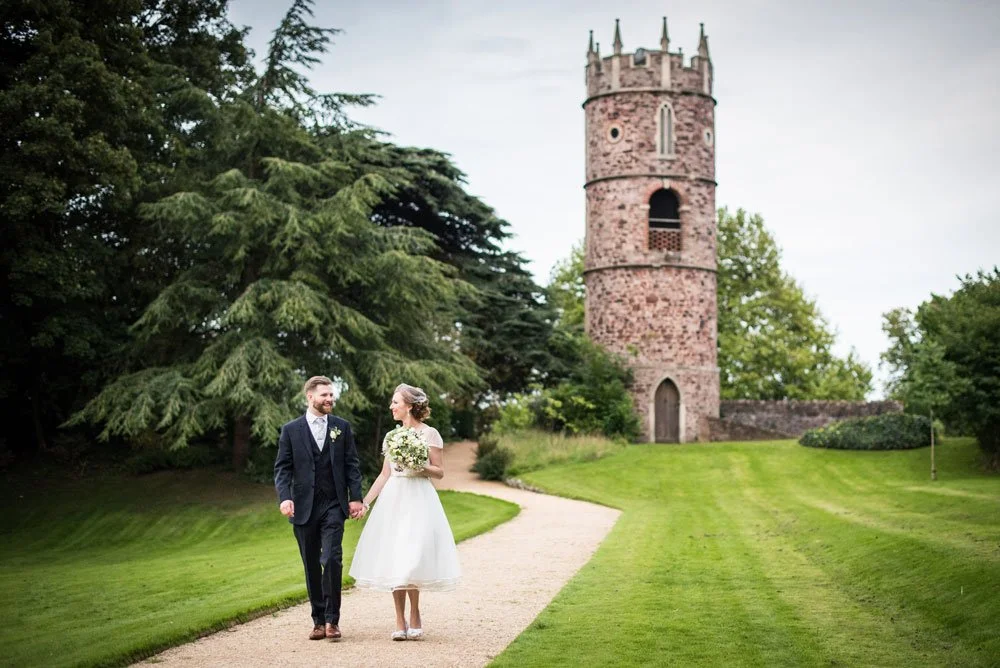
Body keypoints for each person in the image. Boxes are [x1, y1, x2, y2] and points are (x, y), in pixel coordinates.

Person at [349, 383, 462, 641]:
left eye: (395, 402)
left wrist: (417, 465)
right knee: (395, 556)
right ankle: (399, 619)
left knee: (413, 556)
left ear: (409, 406)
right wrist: (365, 503)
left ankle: (415, 613)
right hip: (394, 499)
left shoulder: (430, 434)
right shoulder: (391, 436)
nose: (391, 406)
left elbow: (439, 471)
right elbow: (385, 474)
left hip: (419, 498)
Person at [274, 376, 364, 641]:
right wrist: (285, 497)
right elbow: (282, 468)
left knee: (332, 559)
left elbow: (352, 465)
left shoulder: (341, 427)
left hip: (334, 505)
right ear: (310, 397)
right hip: (303, 508)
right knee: (311, 564)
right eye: (324, 395)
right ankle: (317, 620)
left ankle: (332, 621)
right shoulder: (291, 430)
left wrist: (355, 497)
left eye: (331, 395)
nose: (329, 400)